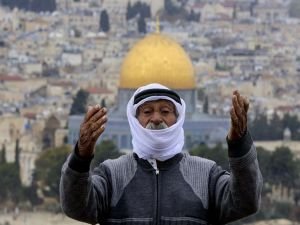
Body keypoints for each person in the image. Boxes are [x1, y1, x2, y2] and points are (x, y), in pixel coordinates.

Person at [60, 83, 263, 225]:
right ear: (135, 120)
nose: (156, 119)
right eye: (147, 112)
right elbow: (76, 207)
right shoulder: (113, 174)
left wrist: (239, 144)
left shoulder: (205, 174)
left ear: (178, 118)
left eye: (165, 111)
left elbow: (245, 202)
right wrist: (81, 156)